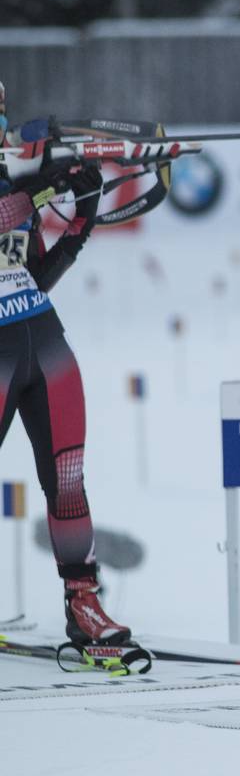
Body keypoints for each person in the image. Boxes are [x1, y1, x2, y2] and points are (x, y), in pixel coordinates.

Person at [0, 79, 130, 645]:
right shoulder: (20, 190)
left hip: (41, 339)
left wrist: (81, 218)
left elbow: (32, 276)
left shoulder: (16, 178)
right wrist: (41, 193)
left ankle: (83, 603)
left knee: (69, 479)